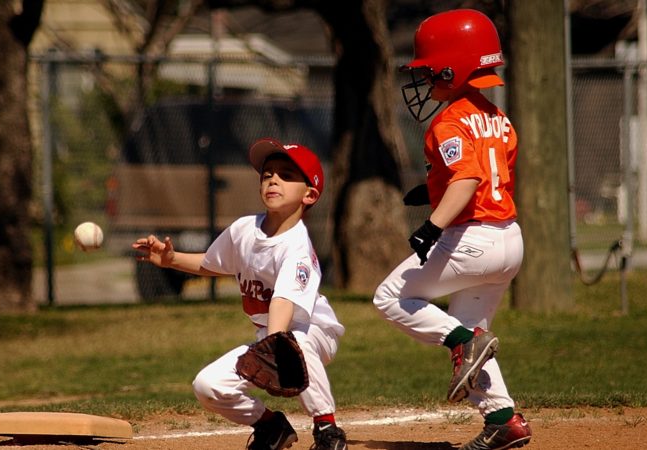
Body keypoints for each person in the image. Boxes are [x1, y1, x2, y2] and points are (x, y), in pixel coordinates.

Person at [372, 9, 532, 450]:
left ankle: (466, 341)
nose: (424, 81)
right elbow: (487, 173)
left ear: (453, 68)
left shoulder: (449, 121)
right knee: (469, 325)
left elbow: (468, 179)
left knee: (390, 296)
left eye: (428, 72)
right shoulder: (497, 116)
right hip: (509, 239)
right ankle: (503, 419)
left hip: (472, 239)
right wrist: (433, 190)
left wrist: (431, 225)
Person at [133, 138, 348, 450]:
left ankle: (327, 430)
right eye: (267, 174)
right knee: (208, 385)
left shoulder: (297, 247)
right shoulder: (244, 229)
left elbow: (283, 302)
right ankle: (272, 427)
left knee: (294, 341)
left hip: (314, 330)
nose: (273, 179)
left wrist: (274, 343)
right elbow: (211, 263)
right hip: (270, 336)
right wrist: (171, 259)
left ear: (310, 194)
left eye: (287, 175)